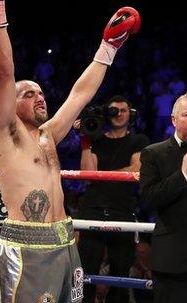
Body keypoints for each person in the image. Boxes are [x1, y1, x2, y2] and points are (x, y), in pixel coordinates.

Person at [0, 0, 141, 302]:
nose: (40, 97)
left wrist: (108, 48)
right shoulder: (7, 133)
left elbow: (80, 94)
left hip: (65, 242)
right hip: (26, 248)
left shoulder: (48, 135)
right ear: (13, 102)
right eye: (29, 94)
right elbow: (4, 74)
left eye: (41, 92)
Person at [77, 95, 149, 302]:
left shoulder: (139, 140)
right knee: (87, 270)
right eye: (114, 110)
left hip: (122, 210)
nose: (118, 114)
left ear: (131, 114)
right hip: (93, 209)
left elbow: (136, 171)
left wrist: (103, 175)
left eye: (123, 110)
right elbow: (88, 176)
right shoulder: (96, 140)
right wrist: (85, 140)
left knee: (121, 271)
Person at [139, 90, 187, 302]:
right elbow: (149, 199)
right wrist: (183, 174)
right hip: (172, 260)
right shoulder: (154, 153)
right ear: (174, 120)